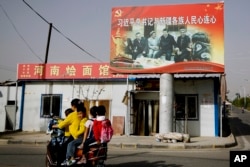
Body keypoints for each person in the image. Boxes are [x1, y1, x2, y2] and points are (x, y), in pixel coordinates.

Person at [52, 98, 83, 166]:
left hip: (74, 136)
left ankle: (62, 163)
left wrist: (54, 126)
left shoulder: (72, 115)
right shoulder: (82, 113)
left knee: (61, 149)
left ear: (73, 106)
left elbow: (62, 124)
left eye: (71, 106)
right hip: (82, 135)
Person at [62, 102, 88, 166]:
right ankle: (68, 159)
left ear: (84, 113)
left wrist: (76, 134)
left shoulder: (84, 120)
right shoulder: (82, 119)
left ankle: (71, 159)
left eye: (81, 114)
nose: (79, 115)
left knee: (70, 144)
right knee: (71, 144)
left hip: (81, 137)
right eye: (78, 114)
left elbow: (82, 130)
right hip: (80, 137)